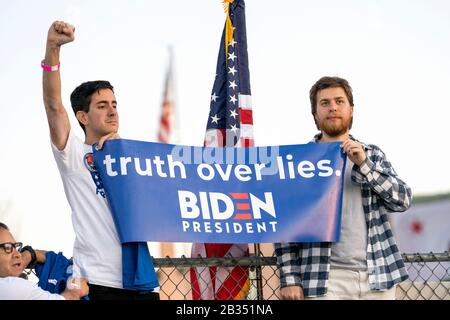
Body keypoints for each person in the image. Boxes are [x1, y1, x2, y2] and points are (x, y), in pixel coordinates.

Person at [42, 20, 159, 300]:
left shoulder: (132, 158)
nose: (112, 111)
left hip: (141, 281)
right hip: (97, 280)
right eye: (102, 106)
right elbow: (53, 104)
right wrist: (53, 49)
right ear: (83, 116)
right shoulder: (73, 154)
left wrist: (123, 153)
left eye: (115, 105)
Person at [275, 76, 412, 300]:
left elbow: (402, 200)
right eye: (325, 103)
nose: (333, 108)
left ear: (351, 109)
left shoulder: (373, 155)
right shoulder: (299, 161)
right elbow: (286, 225)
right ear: (315, 114)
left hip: (377, 275)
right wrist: (290, 278)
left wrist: (364, 165)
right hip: (324, 279)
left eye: (339, 101)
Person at [0, 222, 88, 300]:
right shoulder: (12, 287)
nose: (18, 254)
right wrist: (74, 293)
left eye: (16, 247)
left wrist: (32, 254)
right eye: (7, 247)